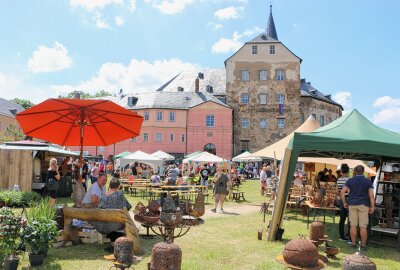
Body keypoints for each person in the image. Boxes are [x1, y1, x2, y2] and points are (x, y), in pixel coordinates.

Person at [90, 178, 132, 253]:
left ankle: (114, 244)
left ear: (110, 186)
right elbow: (127, 208)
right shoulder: (119, 194)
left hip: (104, 225)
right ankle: (116, 244)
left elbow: (100, 210)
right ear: (119, 186)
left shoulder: (103, 196)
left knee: (112, 222)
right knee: (119, 221)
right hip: (117, 224)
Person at [340, 165, 375, 250]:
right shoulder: (368, 181)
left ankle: (353, 243)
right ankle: (363, 245)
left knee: (353, 225)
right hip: (364, 205)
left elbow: (342, 192)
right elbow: (371, 196)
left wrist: (344, 202)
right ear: (363, 171)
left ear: (355, 171)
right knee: (363, 226)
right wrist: (372, 206)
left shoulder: (350, 180)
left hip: (352, 204)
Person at [337, 164, 350, 241]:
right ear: (348, 171)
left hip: (341, 200)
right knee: (351, 218)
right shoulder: (348, 180)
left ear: (341, 171)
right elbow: (349, 191)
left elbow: (337, 191)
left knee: (342, 218)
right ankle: (350, 235)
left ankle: (341, 236)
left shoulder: (338, 180)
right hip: (348, 199)